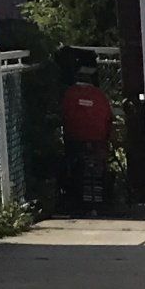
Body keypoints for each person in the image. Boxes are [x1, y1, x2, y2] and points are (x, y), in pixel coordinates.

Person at [59, 59, 113, 215]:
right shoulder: (99, 96)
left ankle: (77, 200)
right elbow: (108, 118)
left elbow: (64, 116)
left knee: (75, 166)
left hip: (75, 141)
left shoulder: (70, 94)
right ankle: (99, 200)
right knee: (97, 167)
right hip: (98, 141)